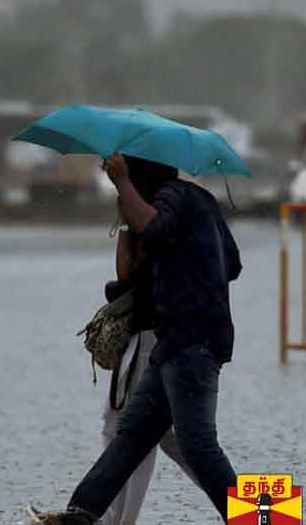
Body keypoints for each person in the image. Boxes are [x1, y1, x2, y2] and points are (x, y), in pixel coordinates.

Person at [32, 154, 242, 525]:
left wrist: (123, 184)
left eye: (128, 173)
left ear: (140, 174)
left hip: (193, 340)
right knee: (131, 435)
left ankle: (271, 518)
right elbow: (231, 263)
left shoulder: (172, 198)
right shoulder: (197, 201)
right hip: (175, 342)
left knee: (198, 444)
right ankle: (81, 515)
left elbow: (155, 228)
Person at [99, 206, 198, 525]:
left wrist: (124, 226)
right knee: (177, 439)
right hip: (169, 334)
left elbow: (127, 273)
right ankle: (265, 512)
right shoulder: (172, 206)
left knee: (128, 428)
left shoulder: (144, 207)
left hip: (151, 337)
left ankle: (117, 519)